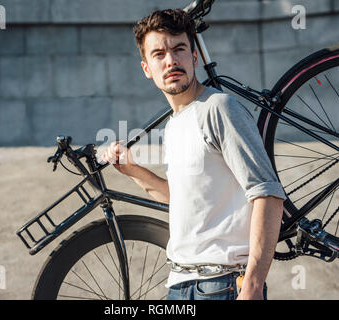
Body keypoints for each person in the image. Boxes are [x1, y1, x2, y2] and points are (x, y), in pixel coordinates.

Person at [100, 8, 286, 300]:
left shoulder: (219, 108)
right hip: (178, 284)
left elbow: (268, 194)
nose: (171, 60)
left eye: (179, 49)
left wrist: (252, 284)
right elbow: (184, 200)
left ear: (195, 56)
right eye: (159, 54)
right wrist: (132, 169)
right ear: (147, 68)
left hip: (221, 284)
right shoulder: (174, 124)